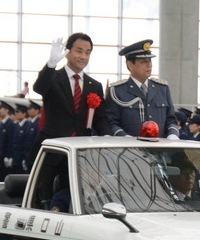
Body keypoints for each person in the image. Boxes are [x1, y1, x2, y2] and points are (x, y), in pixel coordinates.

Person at [30, 33, 110, 161]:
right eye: (79, 51)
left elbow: (100, 118)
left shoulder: (95, 85)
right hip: (53, 148)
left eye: (87, 53)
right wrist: (51, 64)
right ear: (67, 52)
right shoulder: (53, 77)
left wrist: (106, 135)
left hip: (81, 152)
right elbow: (39, 88)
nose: (83, 57)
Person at [106, 39, 179, 139]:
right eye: (143, 61)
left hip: (159, 149)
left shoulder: (162, 88)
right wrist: (123, 137)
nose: (149, 65)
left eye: (150, 60)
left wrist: (173, 135)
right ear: (130, 64)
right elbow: (111, 122)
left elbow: (171, 119)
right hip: (129, 150)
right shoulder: (117, 91)